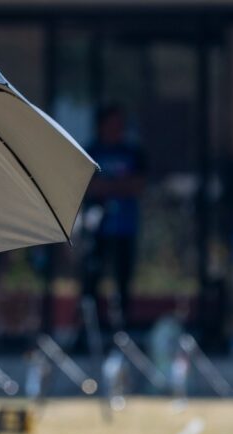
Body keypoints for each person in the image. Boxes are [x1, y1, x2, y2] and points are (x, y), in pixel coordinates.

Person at [83, 104, 147, 330]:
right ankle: (90, 329)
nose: (116, 128)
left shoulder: (132, 152)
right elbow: (87, 187)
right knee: (92, 278)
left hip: (125, 228)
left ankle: (122, 329)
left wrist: (107, 186)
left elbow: (138, 185)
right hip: (97, 229)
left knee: (123, 281)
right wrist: (120, 186)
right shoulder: (90, 151)